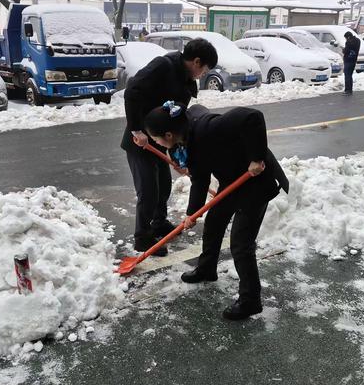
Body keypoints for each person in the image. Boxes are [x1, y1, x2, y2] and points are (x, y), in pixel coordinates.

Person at [144, 102, 289, 320]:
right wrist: (192, 213)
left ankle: (251, 301)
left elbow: (253, 117)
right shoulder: (180, 143)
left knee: (241, 244)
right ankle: (206, 269)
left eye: (155, 139)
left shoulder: (208, 129)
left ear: (168, 134)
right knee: (214, 224)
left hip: (257, 181)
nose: (155, 143)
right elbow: (200, 178)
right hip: (231, 179)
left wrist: (257, 157)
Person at [122, 39, 218, 256]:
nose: (203, 74)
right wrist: (136, 130)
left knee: (164, 185)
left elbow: (178, 122)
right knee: (148, 189)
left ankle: (158, 222)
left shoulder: (186, 81)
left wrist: (178, 157)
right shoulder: (163, 66)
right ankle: (142, 237)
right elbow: (132, 91)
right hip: (141, 140)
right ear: (196, 61)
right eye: (205, 69)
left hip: (164, 139)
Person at [343, 31, 361, 95]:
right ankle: (350, 89)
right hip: (354, 60)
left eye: (346, 38)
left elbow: (346, 51)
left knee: (347, 75)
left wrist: (344, 50)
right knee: (350, 75)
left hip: (348, 60)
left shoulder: (348, 42)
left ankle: (347, 90)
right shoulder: (358, 41)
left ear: (348, 37)